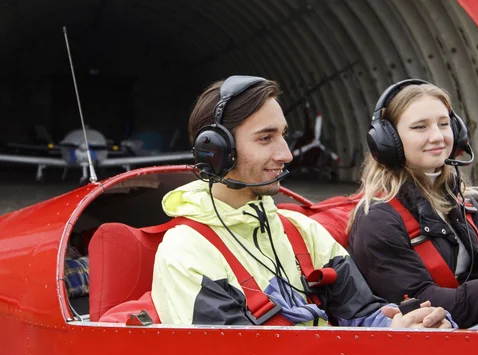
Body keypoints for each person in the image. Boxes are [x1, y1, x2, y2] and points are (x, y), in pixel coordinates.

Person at [150, 75, 455, 329]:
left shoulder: (300, 230)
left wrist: (401, 328)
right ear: (216, 150)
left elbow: (361, 316)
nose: (287, 154)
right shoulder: (186, 253)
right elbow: (233, 354)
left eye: (283, 135)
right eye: (265, 138)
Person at [346, 79, 478, 328]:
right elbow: (424, 305)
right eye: (419, 127)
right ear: (387, 141)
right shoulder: (377, 219)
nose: (437, 136)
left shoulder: (459, 198)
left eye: (444, 124)